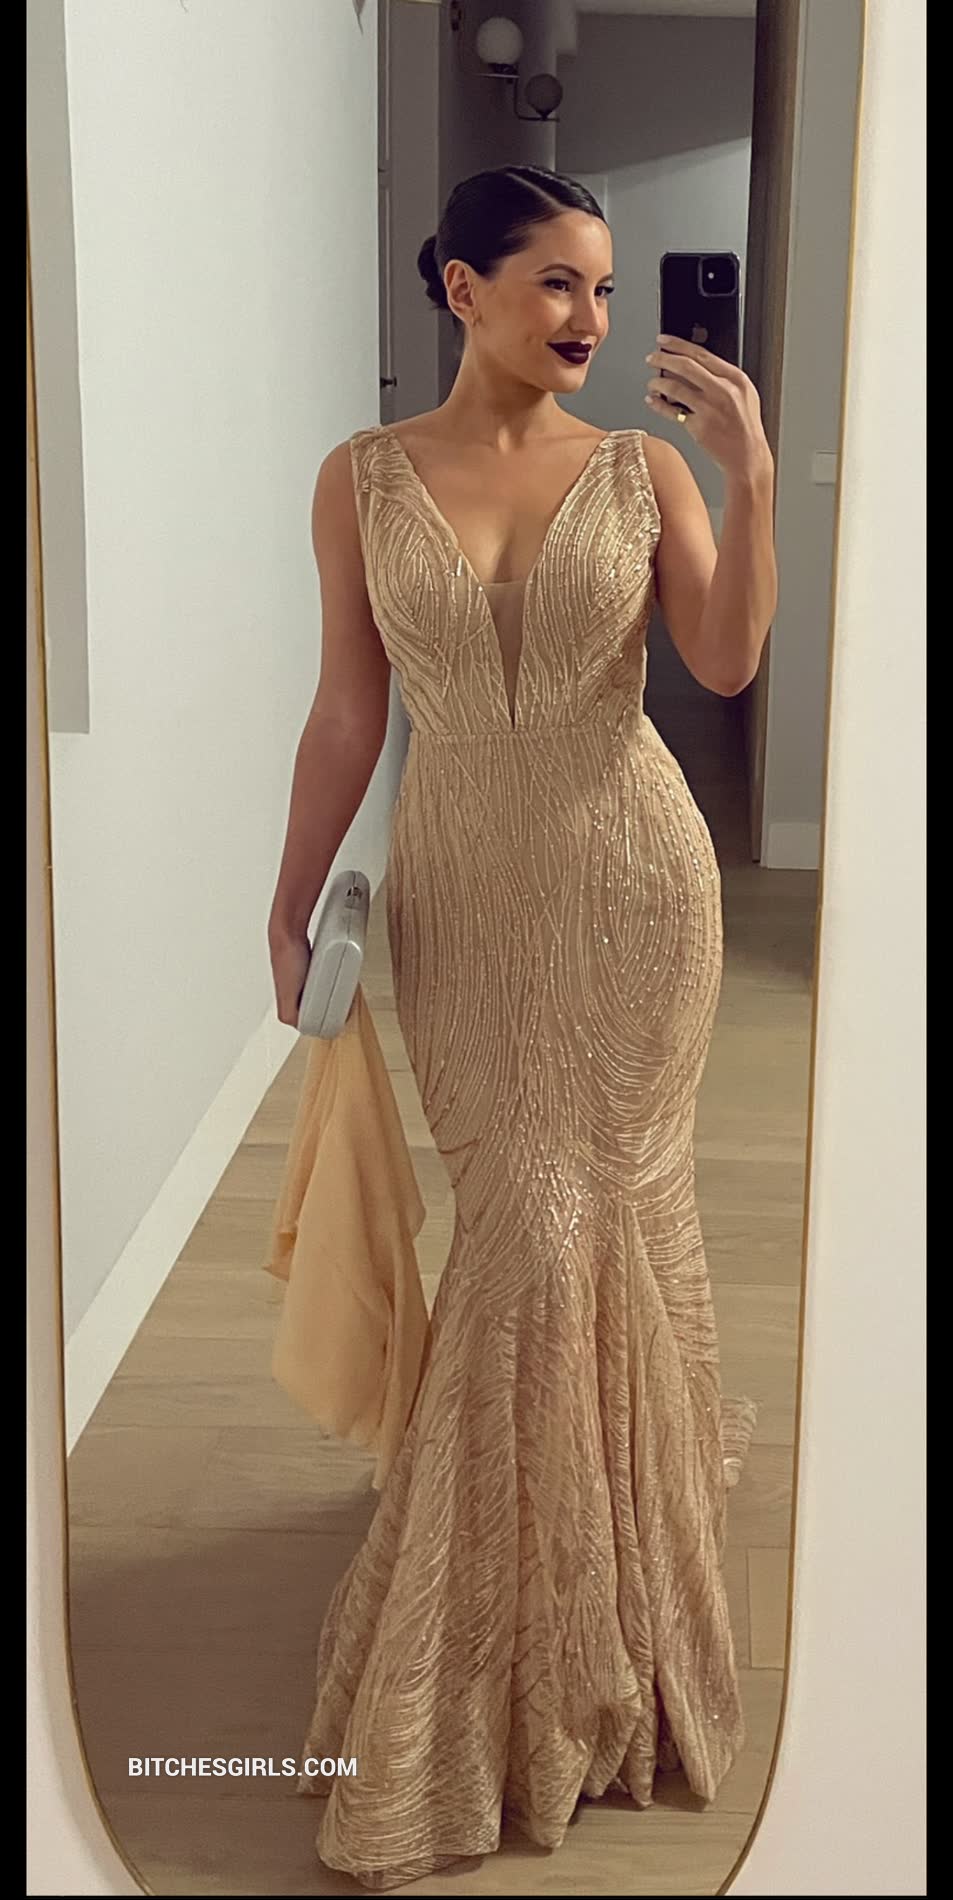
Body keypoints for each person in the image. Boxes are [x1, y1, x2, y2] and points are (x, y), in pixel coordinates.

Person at [267, 164, 776, 1891]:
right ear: (461, 286)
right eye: (556, 282)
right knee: (520, 1224)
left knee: (602, 1217)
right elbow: (349, 710)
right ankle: (541, 1587)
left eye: (605, 289)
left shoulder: (639, 471)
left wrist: (747, 477)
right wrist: (287, 897)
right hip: (461, 897)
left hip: (634, 884)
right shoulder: (359, 479)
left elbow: (720, 660)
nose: (589, 319)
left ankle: (597, 1622)